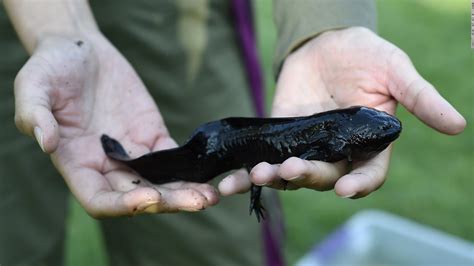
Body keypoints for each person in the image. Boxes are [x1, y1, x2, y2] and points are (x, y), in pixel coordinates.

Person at [0, 0, 466, 265]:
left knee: (209, 242)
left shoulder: (341, 131)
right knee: (17, 240)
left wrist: (325, 23)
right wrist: (61, 28)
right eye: (377, 136)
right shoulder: (336, 137)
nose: (384, 134)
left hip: (168, 16)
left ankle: (140, 162)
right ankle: (136, 161)